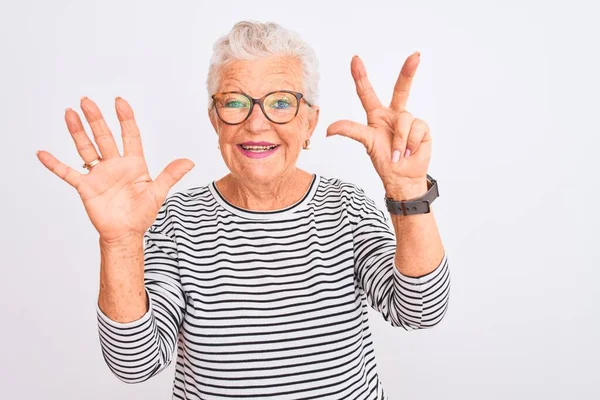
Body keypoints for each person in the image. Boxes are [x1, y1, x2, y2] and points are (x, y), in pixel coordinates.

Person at [37, 20, 450, 400]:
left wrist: (407, 191)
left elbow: (421, 311)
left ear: (309, 123)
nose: (256, 124)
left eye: (281, 102)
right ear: (215, 120)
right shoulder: (175, 219)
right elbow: (135, 364)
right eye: (235, 103)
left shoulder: (347, 207)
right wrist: (121, 243)